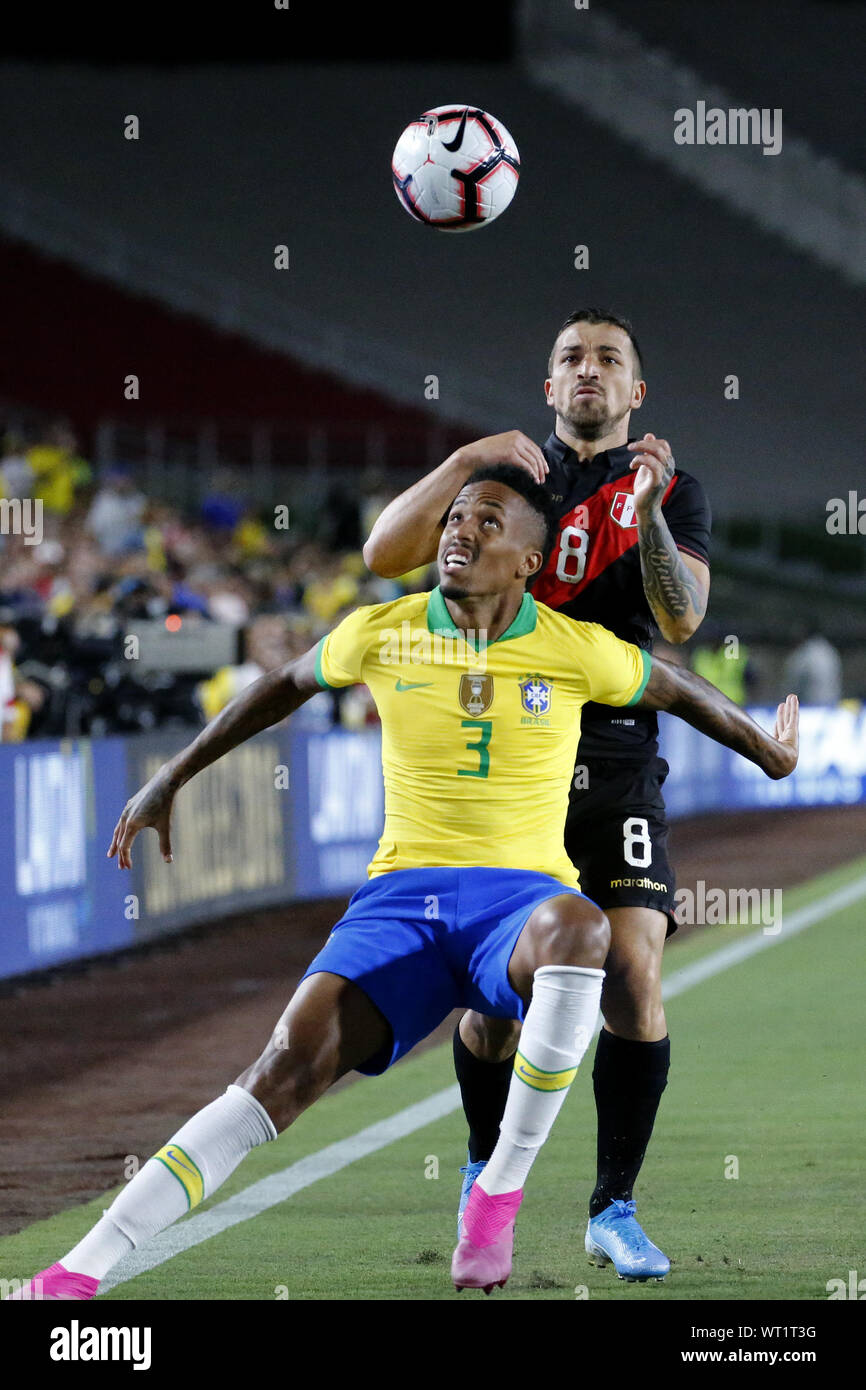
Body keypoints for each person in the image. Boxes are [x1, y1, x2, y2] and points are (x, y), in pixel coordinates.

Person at [8, 467, 798, 1301]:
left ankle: (498, 1189)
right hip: (400, 906)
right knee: (275, 1075)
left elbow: (676, 685)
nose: (460, 530)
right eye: (456, 517)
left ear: (531, 561)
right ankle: (72, 1276)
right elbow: (281, 685)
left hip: (518, 909)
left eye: (487, 521)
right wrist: (172, 774)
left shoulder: (574, 648)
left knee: (583, 931)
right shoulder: (381, 631)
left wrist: (770, 750)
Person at [363, 308, 712, 1280]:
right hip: (502, 763)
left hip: (616, 758)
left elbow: (680, 618)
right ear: (548, 388)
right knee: (495, 1002)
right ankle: (485, 1173)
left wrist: (643, 513)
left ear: (634, 392)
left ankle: (613, 1207)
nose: (586, 369)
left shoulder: (672, 489)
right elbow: (383, 555)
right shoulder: (505, 480)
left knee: (633, 971)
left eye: (606, 359)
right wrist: (462, 457)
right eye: (568, 358)